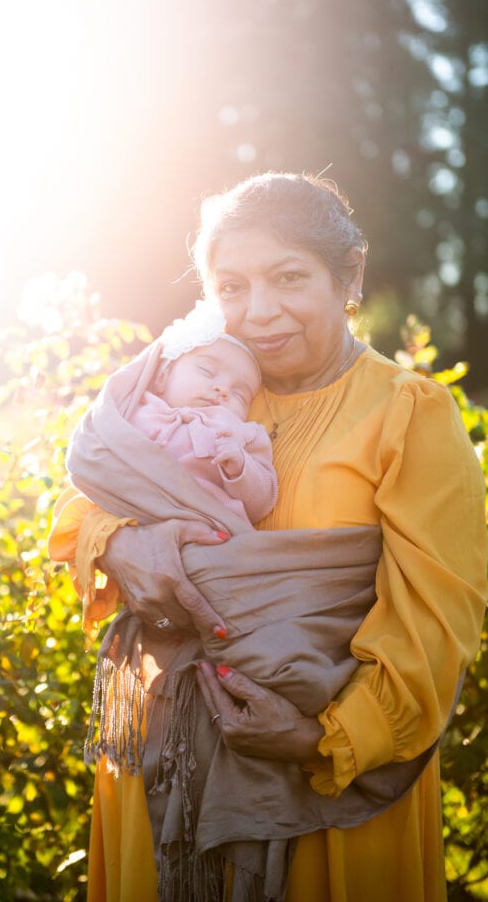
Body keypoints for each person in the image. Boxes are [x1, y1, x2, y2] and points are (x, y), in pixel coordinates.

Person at [48, 171, 487, 902]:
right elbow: (90, 490)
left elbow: (435, 621)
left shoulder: (406, 412)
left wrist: (323, 739)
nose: (257, 313)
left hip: (327, 776)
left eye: (288, 278)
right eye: (230, 286)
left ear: (348, 275)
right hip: (170, 754)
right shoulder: (197, 382)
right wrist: (120, 544)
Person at [128, 303, 278, 525]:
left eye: (240, 394)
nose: (224, 390)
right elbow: (102, 452)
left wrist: (240, 468)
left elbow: (262, 504)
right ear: (162, 377)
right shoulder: (138, 410)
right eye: (207, 371)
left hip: (208, 531)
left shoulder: (244, 434)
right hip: (135, 514)